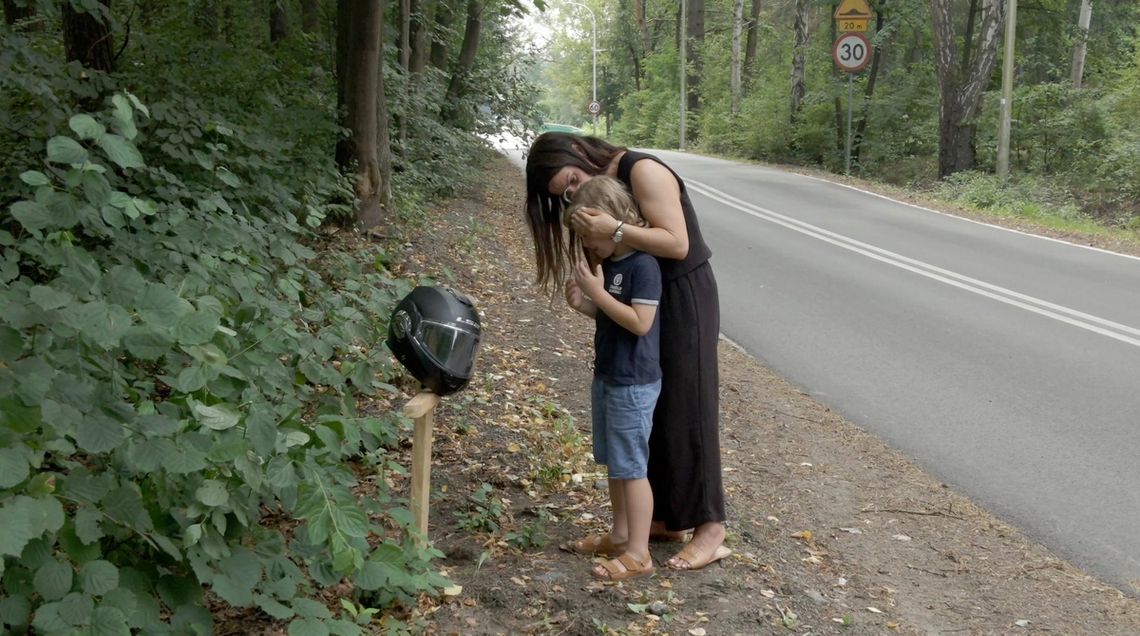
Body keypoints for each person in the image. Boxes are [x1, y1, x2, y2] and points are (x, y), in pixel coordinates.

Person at [524, 132, 731, 570]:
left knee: (690, 408)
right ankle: (665, 519)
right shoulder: (608, 189)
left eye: (573, 182)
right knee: (656, 414)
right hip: (644, 296)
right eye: (565, 196)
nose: (574, 196)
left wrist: (612, 229)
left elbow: (677, 244)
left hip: (684, 293)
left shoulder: (642, 169)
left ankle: (711, 529)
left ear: (578, 153)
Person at [561, 176, 661, 580]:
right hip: (609, 375)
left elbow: (640, 323)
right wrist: (584, 305)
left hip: (633, 382)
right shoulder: (614, 264)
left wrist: (598, 294)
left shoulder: (644, 265)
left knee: (632, 467)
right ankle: (620, 536)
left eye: (590, 238)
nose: (588, 247)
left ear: (613, 222)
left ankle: (639, 553)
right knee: (616, 464)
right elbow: (613, 319)